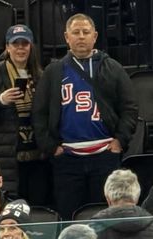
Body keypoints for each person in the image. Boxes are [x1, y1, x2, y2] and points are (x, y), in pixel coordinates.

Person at [31, 13, 137, 220]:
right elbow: (40, 113)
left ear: (95, 36)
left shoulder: (113, 67)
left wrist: (120, 140)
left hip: (105, 154)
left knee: (104, 216)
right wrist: (51, 147)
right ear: (66, 37)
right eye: (76, 32)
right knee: (69, 217)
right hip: (68, 158)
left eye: (85, 32)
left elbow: (130, 107)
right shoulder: (53, 72)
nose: (81, 37)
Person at [0, 24, 48, 210]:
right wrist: (0, 99)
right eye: (15, 44)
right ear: (7, 47)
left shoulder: (40, 75)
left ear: (31, 46)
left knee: (39, 209)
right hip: (8, 157)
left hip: (38, 157)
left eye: (25, 43)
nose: (20, 48)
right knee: (10, 211)